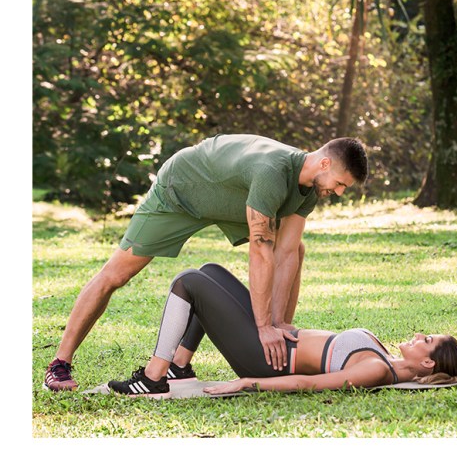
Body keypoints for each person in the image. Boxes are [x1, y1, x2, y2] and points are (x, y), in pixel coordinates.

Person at [44, 134, 369, 391]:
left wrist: (280, 324)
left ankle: (178, 365)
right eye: (340, 183)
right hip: (182, 191)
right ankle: (59, 364)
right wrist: (262, 327)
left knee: (295, 249)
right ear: (325, 162)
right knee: (114, 276)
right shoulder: (273, 172)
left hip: (230, 199)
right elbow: (261, 251)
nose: (339, 192)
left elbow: (286, 253)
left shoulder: (309, 188)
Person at [106, 263, 457, 396]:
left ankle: (154, 378)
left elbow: (308, 383)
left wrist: (248, 382)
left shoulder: (375, 370)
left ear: (428, 365)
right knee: (211, 271)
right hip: (275, 340)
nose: (420, 335)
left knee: (188, 282)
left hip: (265, 361)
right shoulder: (382, 353)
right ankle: (179, 366)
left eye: (427, 341)